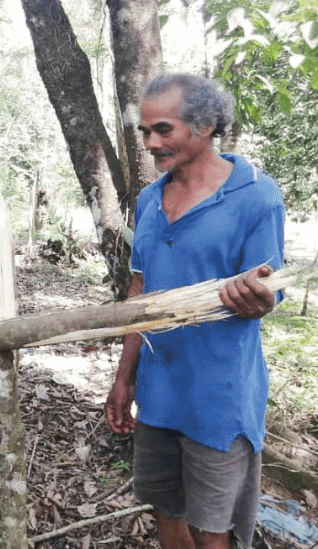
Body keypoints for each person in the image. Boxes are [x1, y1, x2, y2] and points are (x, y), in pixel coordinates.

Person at [104, 74, 285, 549]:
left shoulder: (256, 197)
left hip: (219, 400)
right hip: (160, 394)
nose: (150, 143)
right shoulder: (148, 200)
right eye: (145, 132)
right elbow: (139, 292)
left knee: (212, 529)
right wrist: (125, 377)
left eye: (163, 129)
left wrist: (259, 299)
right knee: (166, 509)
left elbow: (268, 288)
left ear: (205, 125)